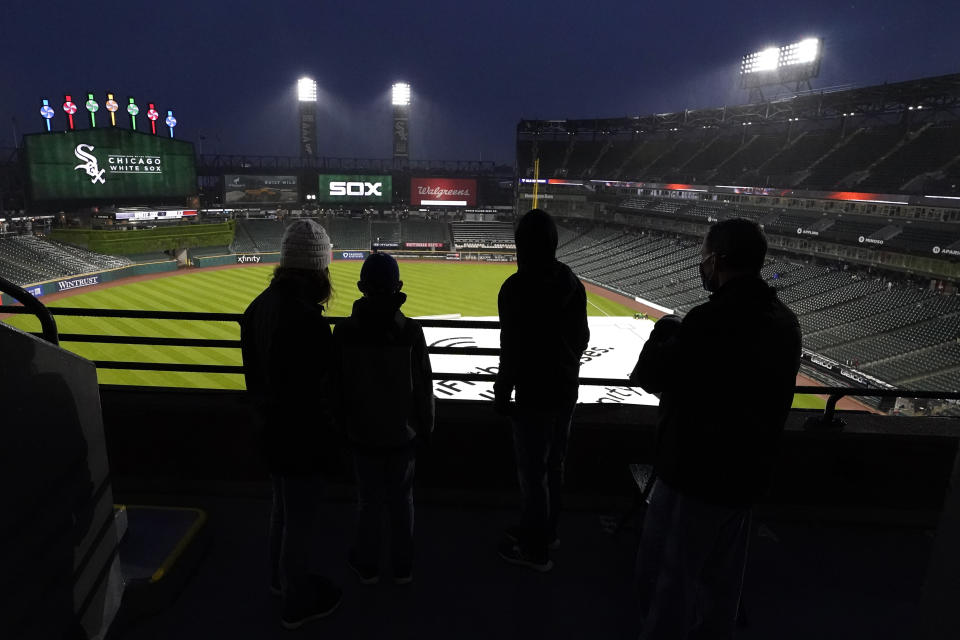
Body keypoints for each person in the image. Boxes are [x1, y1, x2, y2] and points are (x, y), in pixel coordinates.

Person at [629, 218, 801, 639]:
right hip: (746, 480)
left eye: (705, 254)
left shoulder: (710, 320)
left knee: (669, 584)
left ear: (719, 259)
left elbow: (649, 375)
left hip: (693, 478)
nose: (701, 264)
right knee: (722, 588)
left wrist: (663, 333)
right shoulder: (786, 322)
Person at [240, 219, 342, 630]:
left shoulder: (258, 307)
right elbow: (319, 394)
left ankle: (279, 581)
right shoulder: (306, 321)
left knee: (282, 511)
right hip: (300, 439)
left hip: (269, 431)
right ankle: (295, 603)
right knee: (299, 520)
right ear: (316, 270)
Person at [494, 208, 590, 572]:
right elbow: (581, 339)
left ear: (521, 246)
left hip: (533, 396)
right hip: (565, 391)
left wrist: (503, 393)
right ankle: (547, 533)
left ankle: (535, 550)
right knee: (554, 468)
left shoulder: (516, 288)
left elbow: (512, 349)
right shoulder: (571, 282)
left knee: (533, 475)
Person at [332, 252, 434, 586]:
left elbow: (335, 388)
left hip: (360, 436)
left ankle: (367, 565)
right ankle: (402, 566)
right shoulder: (411, 332)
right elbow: (424, 388)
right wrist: (426, 431)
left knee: (368, 502)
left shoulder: (343, 332)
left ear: (361, 286)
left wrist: (341, 431)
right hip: (402, 437)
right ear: (399, 287)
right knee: (402, 502)